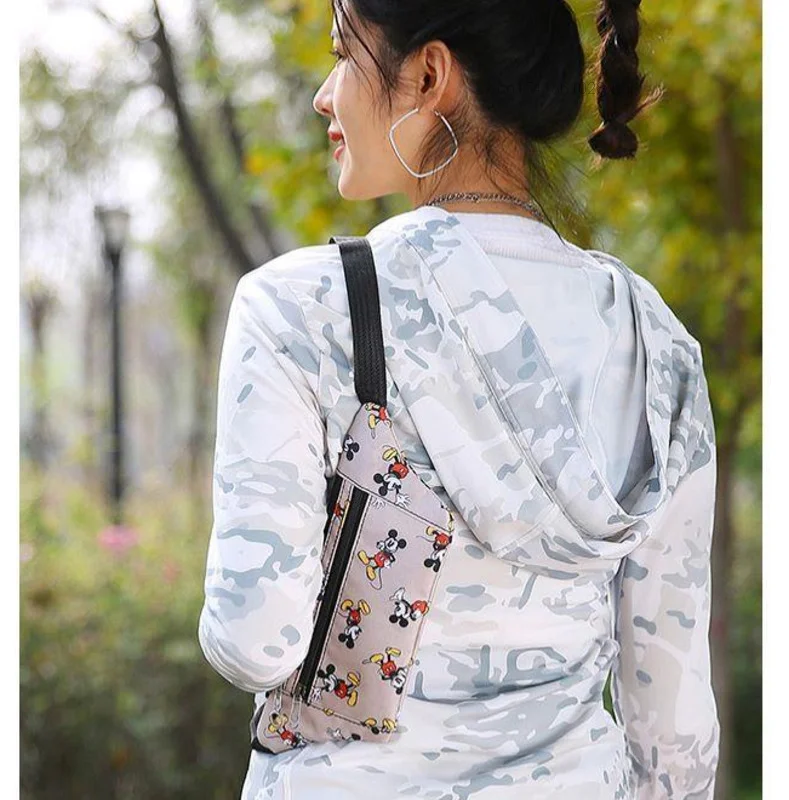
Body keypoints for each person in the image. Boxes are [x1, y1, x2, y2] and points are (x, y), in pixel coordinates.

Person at [197, 1, 720, 797]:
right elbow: (672, 727)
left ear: (430, 74)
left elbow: (254, 640)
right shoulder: (655, 342)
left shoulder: (301, 310)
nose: (324, 95)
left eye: (343, 56)